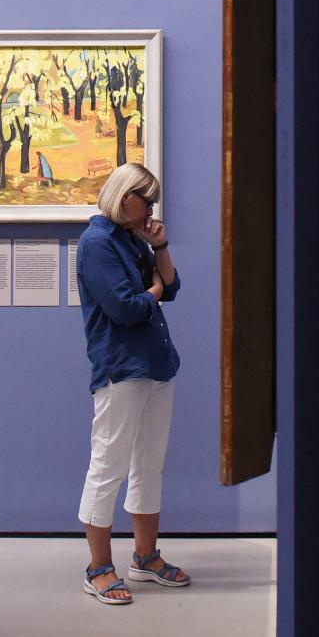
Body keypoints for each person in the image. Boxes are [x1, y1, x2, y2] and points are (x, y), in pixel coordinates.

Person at [75, 163, 190, 605]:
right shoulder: (97, 242)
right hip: (121, 367)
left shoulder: (131, 238)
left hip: (155, 364)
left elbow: (172, 286)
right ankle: (98, 568)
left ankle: (145, 556)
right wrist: (153, 292)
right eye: (148, 200)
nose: (152, 209)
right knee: (108, 466)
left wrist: (159, 246)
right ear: (126, 197)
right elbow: (125, 308)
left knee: (148, 464)